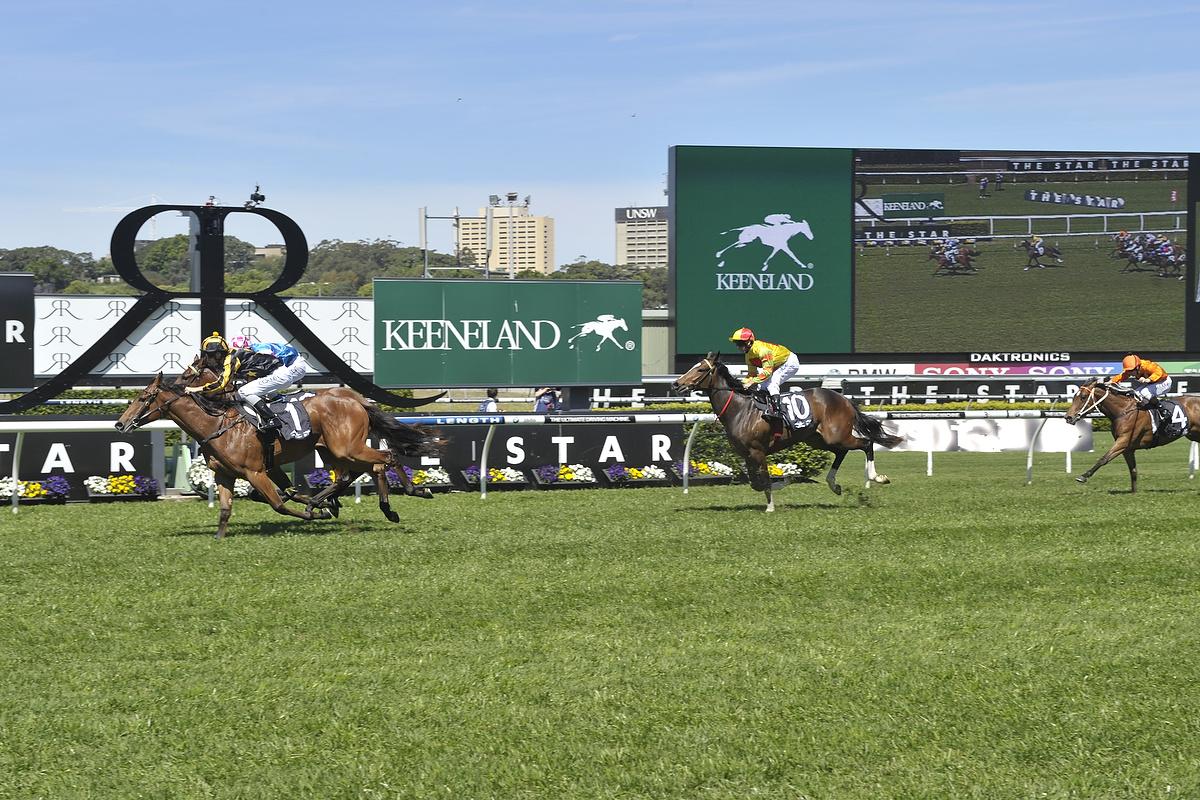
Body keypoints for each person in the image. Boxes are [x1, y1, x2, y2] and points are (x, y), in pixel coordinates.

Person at [186, 332, 310, 433]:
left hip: (285, 371)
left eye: (210, 355)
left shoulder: (231, 359)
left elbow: (222, 384)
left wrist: (196, 389)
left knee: (243, 391)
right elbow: (251, 375)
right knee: (247, 392)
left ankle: (271, 419)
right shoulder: (237, 357)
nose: (209, 359)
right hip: (280, 373)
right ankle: (278, 406)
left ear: (218, 354)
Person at [728, 327, 800, 420]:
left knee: (772, 384)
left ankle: (777, 412)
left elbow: (767, 372)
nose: (738, 347)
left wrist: (751, 382)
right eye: (737, 344)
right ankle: (766, 409)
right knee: (761, 387)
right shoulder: (748, 355)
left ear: (749, 342)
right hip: (776, 366)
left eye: (740, 344)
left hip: (789, 362)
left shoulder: (762, 350)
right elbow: (752, 374)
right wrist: (741, 385)